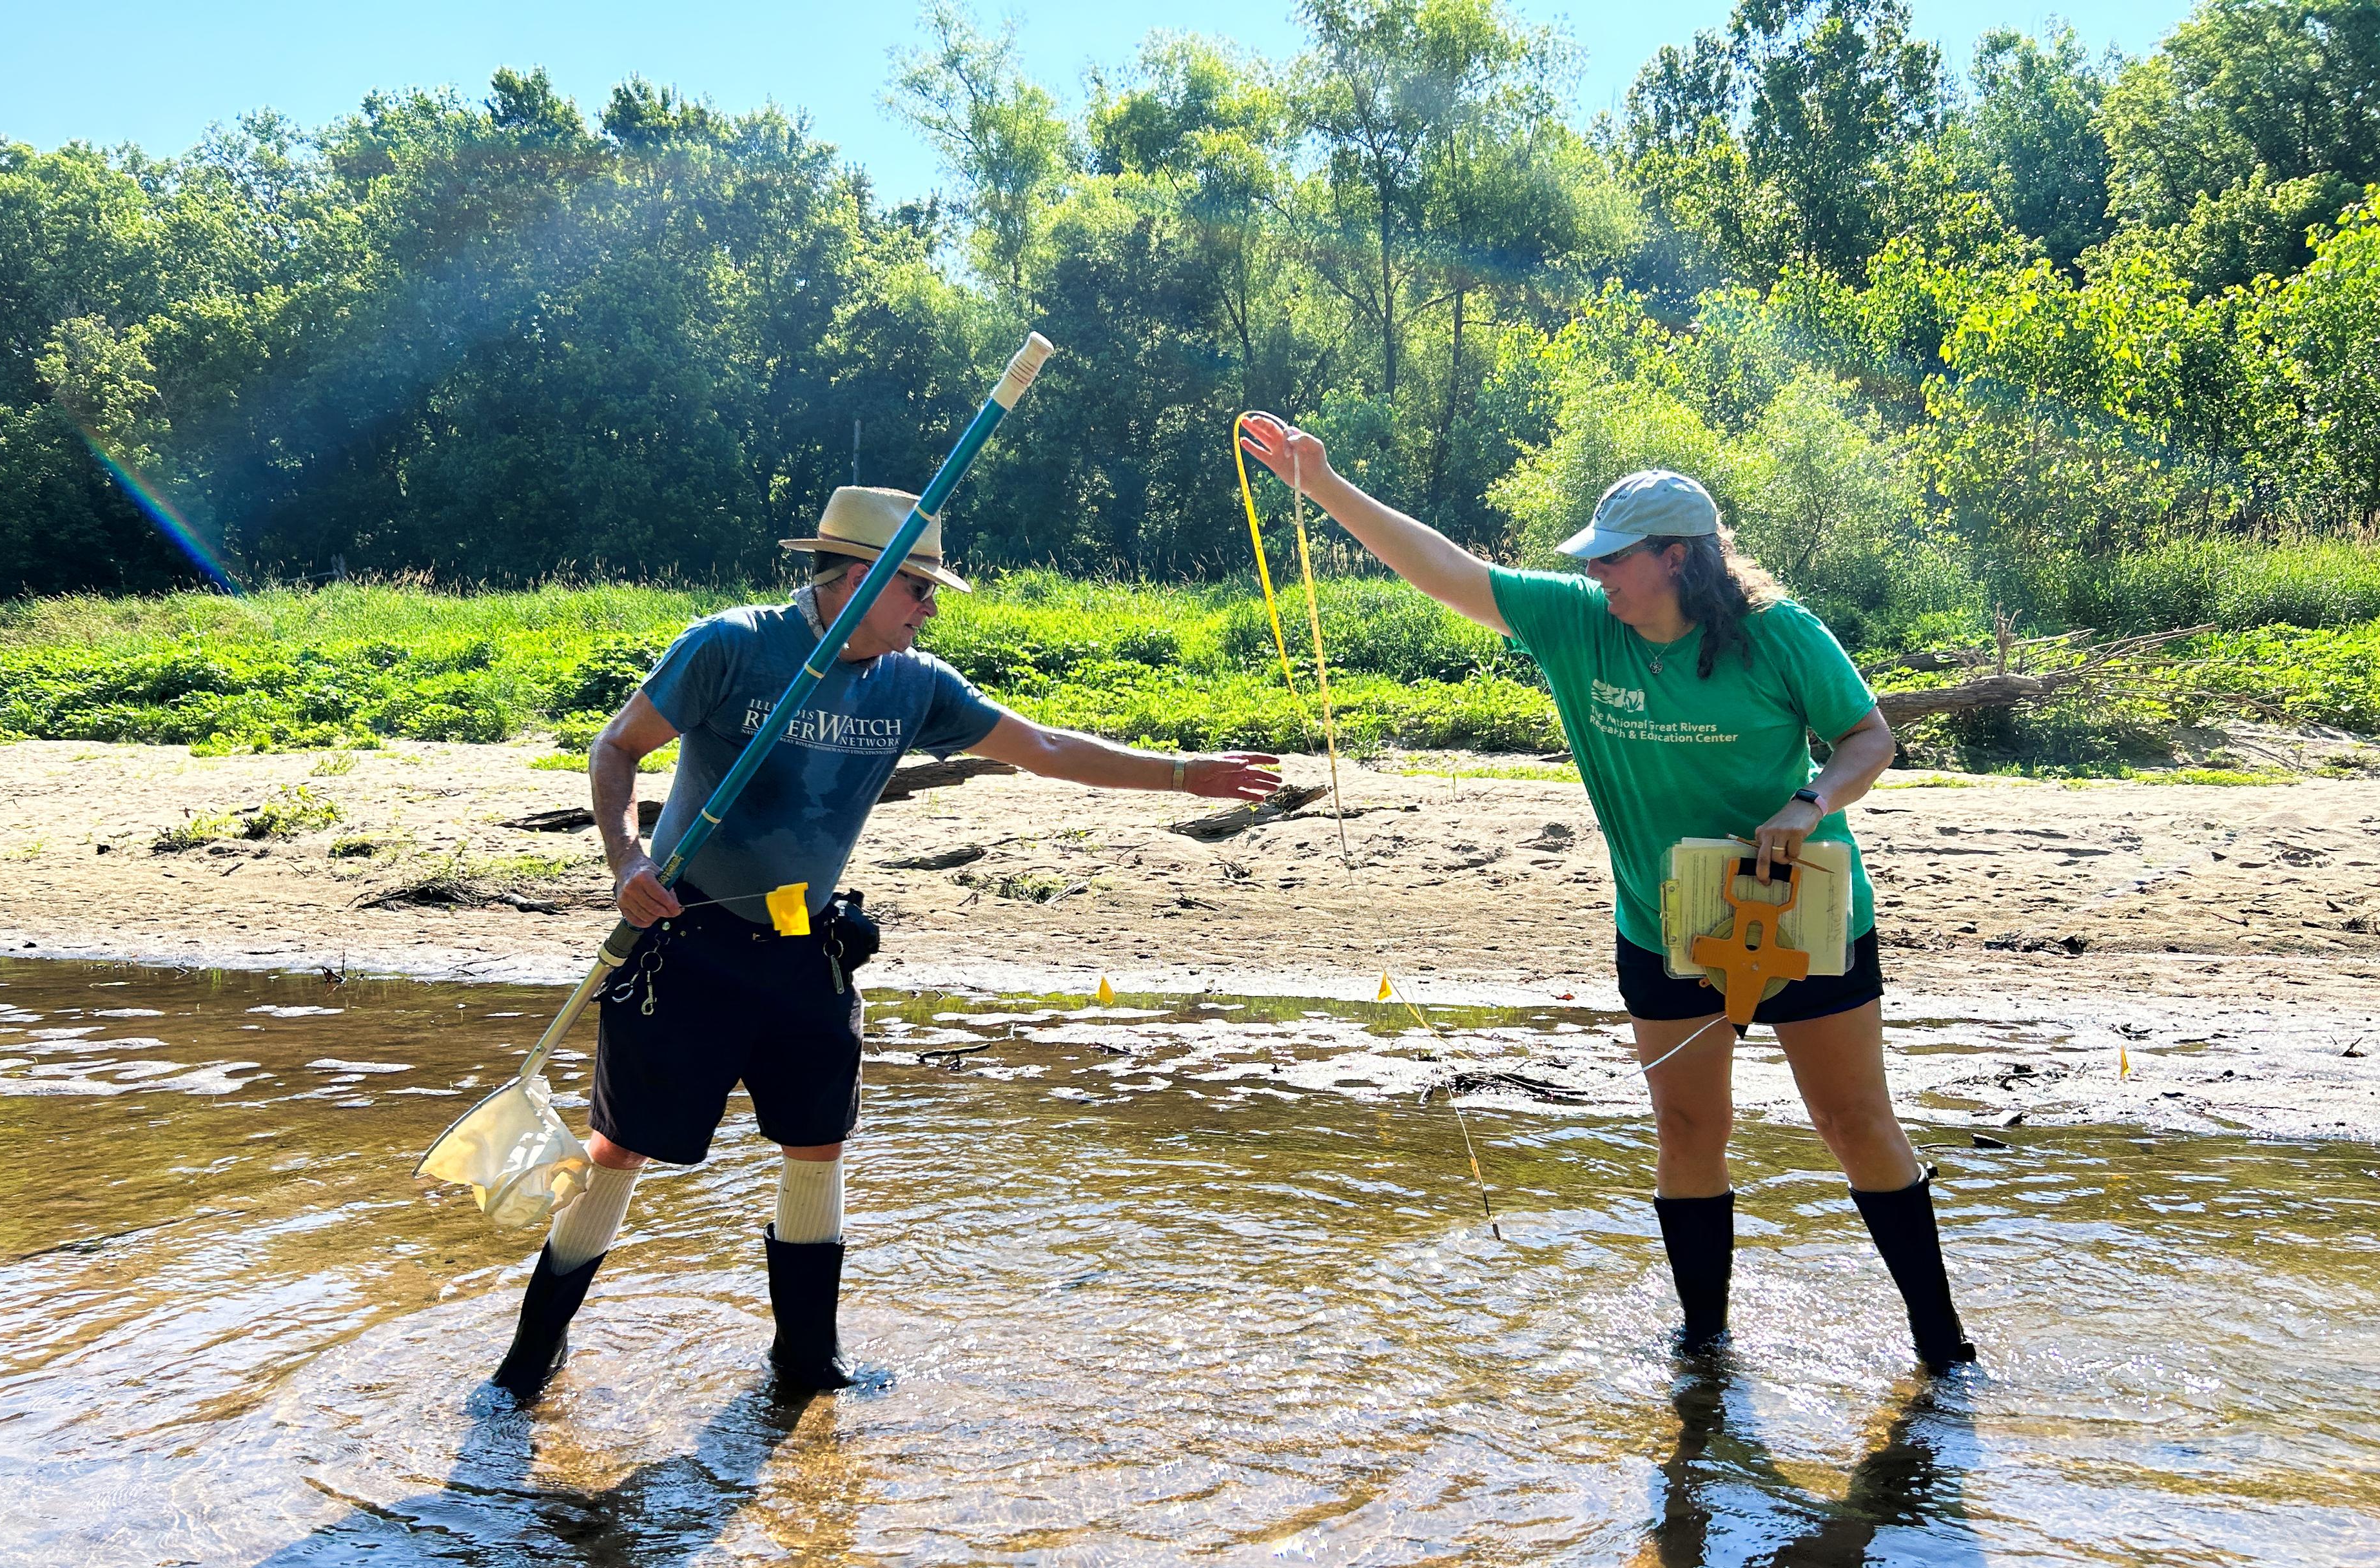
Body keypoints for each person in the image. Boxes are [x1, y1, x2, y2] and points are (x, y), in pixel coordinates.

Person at [491, 484, 1283, 1404]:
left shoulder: (918, 685)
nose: (932, 609)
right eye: (921, 589)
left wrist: (1185, 775)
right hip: (684, 943)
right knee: (621, 1149)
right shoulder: (730, 647)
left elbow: (1048, 749)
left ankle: (806, 1364)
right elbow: (616, 749)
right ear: (863, 581)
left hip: (807, 952)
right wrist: (626, 857)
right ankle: (529, 1359)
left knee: (817, 1144)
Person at [1236, 417, 1975, 1369]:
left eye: (1615, 561)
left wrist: (1812, 800)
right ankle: (1705, 1350)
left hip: (1803, 912)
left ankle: (1940, 1343)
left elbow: (1869, 739)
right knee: (1687, 1126)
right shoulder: (1579, 627)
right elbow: (1445, 569)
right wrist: (1323, 485)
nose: (1599, 577)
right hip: (1664, 924)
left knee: (1852, 1123)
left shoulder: (1781, 635)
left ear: (1677, 558)